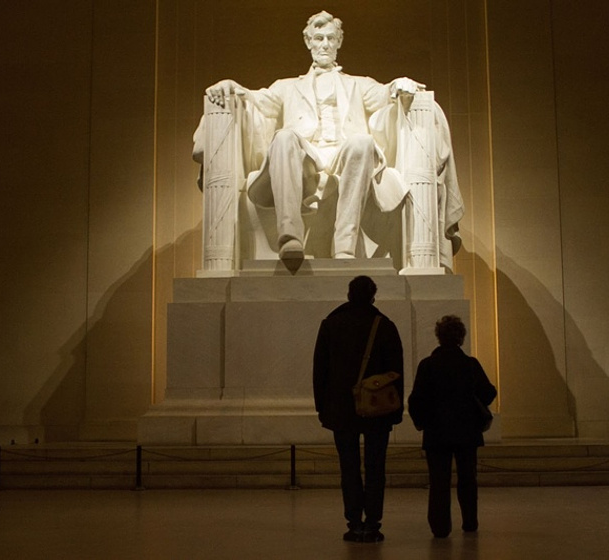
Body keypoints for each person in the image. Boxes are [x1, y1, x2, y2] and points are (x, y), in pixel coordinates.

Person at [202, 10, 463, 262]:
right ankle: (289, 237)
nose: (324, 44)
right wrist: (233, 88)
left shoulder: (359, 84)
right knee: (283, 137)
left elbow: (385, 93)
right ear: (308, 43)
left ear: (338, 42)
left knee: (362, 141)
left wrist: (398, 84)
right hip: (305, 157)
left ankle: (345, 245)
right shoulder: (286, 87)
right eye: (318, 38)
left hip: (344, 154)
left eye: (330, 38)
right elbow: (258, 100)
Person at [313, 275, 404, 543]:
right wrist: (396, 411)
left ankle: (354, 522)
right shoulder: (384, 326)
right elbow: (396, 373)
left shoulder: (332, 324)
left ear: (349, 295)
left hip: (341, 410)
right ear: (373, 296)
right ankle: (373, 522)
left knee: (349, 468)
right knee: (376, 468)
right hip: (378, 410)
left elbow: (320, 372)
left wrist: (323, 409)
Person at [407, 315, 497, 537]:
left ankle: (440, 527)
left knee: (438, 482)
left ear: (439, 337)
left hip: (437, 432)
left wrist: (424, 422)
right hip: (467, 431)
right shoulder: (470, 364)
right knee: (468, 478)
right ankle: (469, 522)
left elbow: (415, 400)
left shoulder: (428, 365)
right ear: (461, 337)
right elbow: (489, 392)